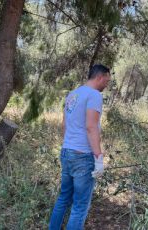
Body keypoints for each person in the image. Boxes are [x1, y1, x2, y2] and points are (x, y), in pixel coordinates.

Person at [49, 64, 111, 230]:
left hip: (67, 151)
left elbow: (64, 124)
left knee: (63, 198)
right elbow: (91, 127)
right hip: (83, 156)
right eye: (107, 80)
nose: (107, 84)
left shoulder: (72, 94)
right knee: (80, 205)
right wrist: (98, 158)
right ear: (101, 76)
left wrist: (68, 146)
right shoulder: (94, 95)